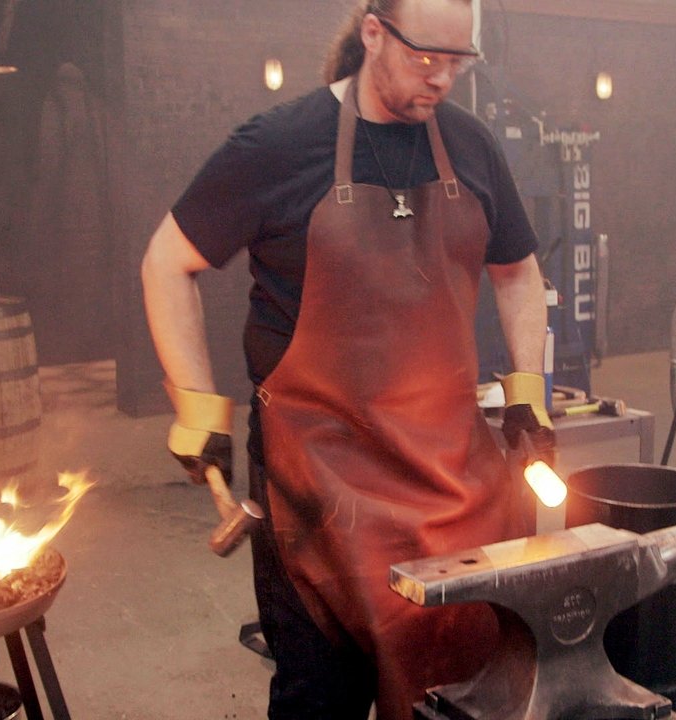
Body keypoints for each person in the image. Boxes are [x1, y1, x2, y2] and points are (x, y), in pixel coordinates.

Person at [140, 1, 553, 717]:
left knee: (453, 688)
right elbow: (167, 262)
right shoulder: (277, 146)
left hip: (446, 477)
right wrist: (198, 411)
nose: (442, 79)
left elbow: (518, 273)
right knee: (320, 696)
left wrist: (528, 393)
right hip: (317, 487)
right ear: (373, 34)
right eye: (426, 58)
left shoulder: (472, 147)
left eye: (459, 62)